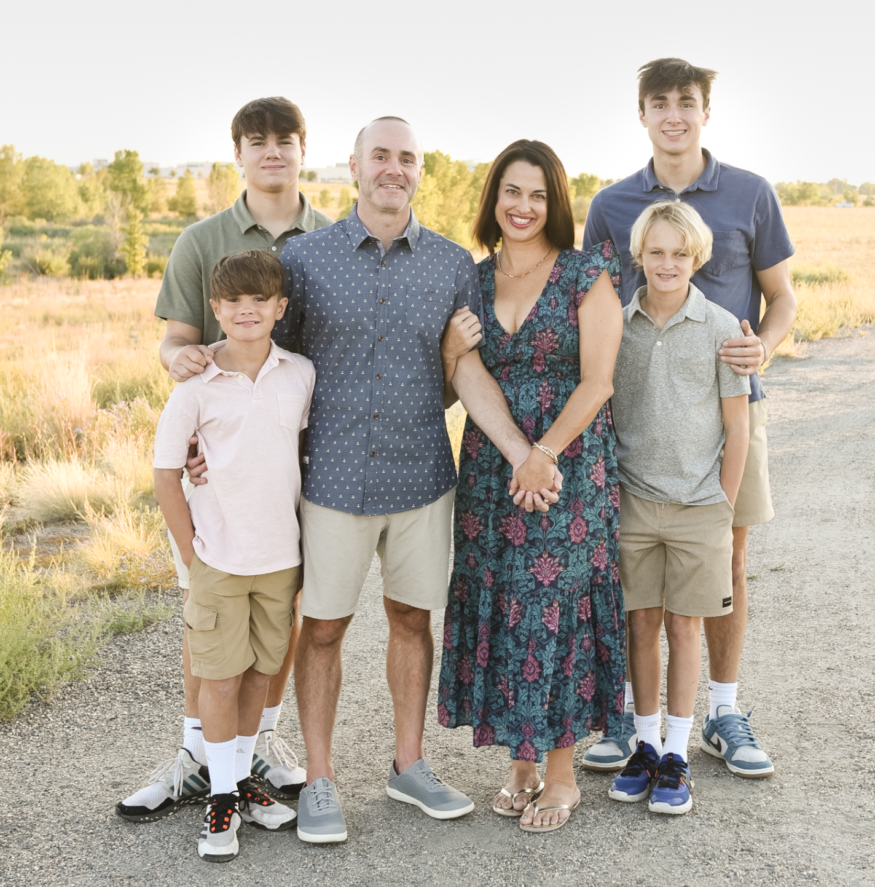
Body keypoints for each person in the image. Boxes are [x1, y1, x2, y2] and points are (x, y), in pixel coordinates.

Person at [272, 117, 562, 844]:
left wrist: (528, 450)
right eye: (380, 155)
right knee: (324, 628)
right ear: (354, 167)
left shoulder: (452, 265)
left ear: (419, 171)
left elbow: (462, 370)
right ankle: (318, 780)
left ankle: (408, 765)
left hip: (421, 478)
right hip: (332, 479)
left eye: (406, 157)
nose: (392, 168)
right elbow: (272, 368)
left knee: (411, 619)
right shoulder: (305, 258)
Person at [117, 97, 332, 822]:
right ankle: (194, 754)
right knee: (207, 616)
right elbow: (175, 340)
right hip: (217, 460)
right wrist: (190, 374)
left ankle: (255, 750)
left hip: (295, 459)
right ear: (237, 152)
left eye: (285, 141)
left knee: (282, 609)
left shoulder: (332, 238)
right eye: (256, 141)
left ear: (303, 149)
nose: (271, 152)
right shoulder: (201, 239)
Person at [582, 58, 796, 776]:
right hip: (639, 424)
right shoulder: (612, 206)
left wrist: (757, 351)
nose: (672, 114)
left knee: (724, 562)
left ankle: (724, 712)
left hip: (730, 415)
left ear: (705, 111)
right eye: (658, 102)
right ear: (640, 114)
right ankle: (631, 720)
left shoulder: (749, 193)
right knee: (634, 575)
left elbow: (782, 298)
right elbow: (590, 308)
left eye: (686, 102)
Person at [438, 139, 626, 835]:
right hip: (493, 467)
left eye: (537, 195)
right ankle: (518, 763)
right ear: (492, 199)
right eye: (510, 192)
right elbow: (464, 372)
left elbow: (598, 379)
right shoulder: (471, 280)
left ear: (556, 204)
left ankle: (562, 773)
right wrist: (516, 452)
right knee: (503, 602)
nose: (522, 207)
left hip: (568, 464)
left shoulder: (585, 274)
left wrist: (543, 453)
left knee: (556, 604)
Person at [153, 250, 313, 860]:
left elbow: (300, 451)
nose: (246, 311)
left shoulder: (300, 374)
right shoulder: (195, 388)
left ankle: (242, 777)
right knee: (218, 677)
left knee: (258, 673)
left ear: (279, 308)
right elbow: (167, 474)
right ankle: (221, 797)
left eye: (259, 301)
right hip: (218, 558)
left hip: (279, 557)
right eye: (233, 303)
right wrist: (192, 558)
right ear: (215, 310)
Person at [606, 202, 750, 815]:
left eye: (679, 253)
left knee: (685, 626)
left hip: (699, 507)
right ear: (639, 256)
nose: (667, 264)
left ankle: (677, 754)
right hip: (634, 501)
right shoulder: (615, 324)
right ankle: (642, 743)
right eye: (656, 252)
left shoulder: (721, 328)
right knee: (640, 622)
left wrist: (724, 499)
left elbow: (736, 427)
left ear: (698, 258)